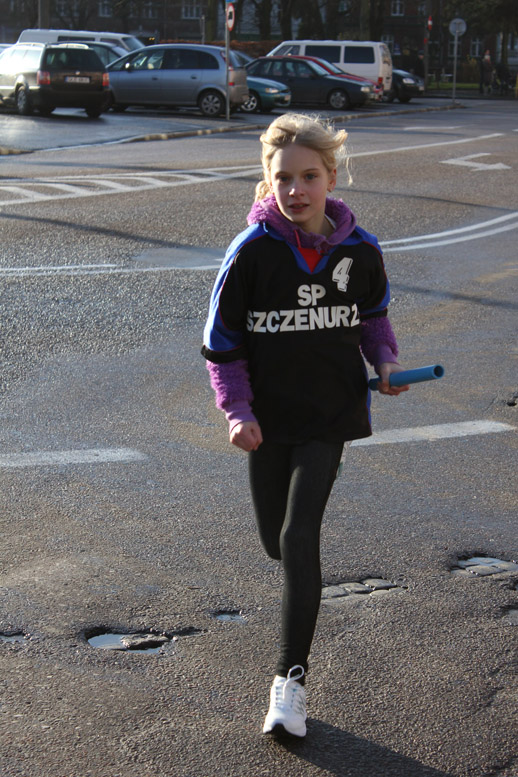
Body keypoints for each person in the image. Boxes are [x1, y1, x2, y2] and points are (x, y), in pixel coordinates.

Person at [201, 113, 409, 738]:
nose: (297, 190)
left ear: (331, 178)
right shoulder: (251, 253)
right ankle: (292, 645)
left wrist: (386, 362)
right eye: (284, 178)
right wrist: (237, 411)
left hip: (330, 415)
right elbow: (223, 346)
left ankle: (289, 683)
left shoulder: (361, 249)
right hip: (267, 421)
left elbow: (372, 318)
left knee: (297, 538)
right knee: (275, 542)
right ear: (268, 181)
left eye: (310, 176)